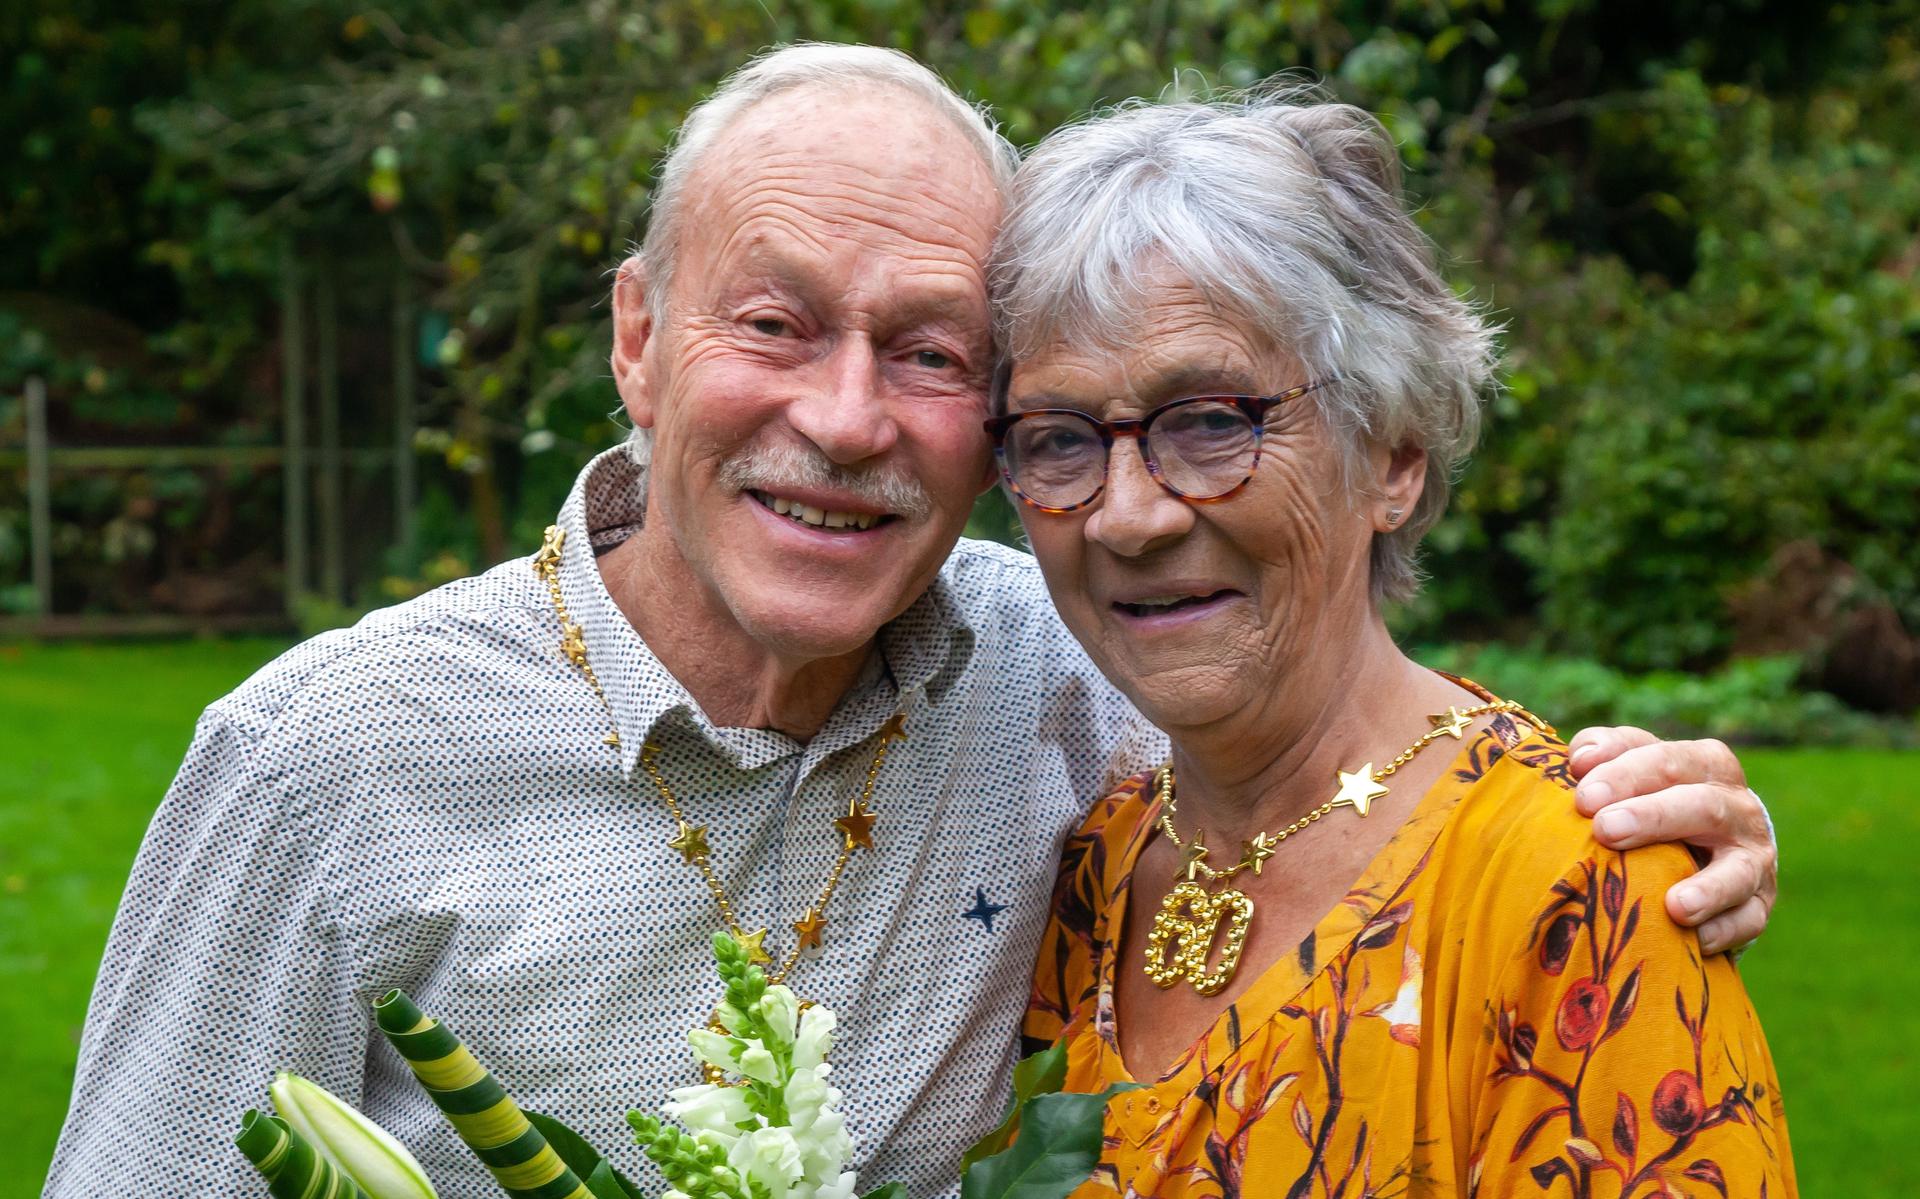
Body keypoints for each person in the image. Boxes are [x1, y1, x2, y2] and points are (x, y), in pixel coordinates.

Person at [47, 46, 1777, 1198]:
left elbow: (1356, 745)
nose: (852, 417)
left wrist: (1644, 821)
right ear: (639, 341)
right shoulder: (318, 766)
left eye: (936, 354)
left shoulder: (1067, 684)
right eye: (778, 320)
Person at [999, 90, 1795, 1194]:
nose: (1129, 515)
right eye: (1059, 438)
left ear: (1394, 454)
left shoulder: (1575, 897)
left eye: (1214, 420)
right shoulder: (1079, 867)